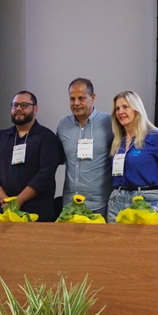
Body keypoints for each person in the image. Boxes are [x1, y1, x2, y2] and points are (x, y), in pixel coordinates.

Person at [0, 91, 60, 222]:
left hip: (37, 215)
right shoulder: (0, 137)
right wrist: (6, 201)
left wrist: (17, 201)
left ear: (35, 109)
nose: (18, 109)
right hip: (3, 213)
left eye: (24, 105)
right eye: (15, 105)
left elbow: (45, 174)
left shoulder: (47, 137)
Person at [107, 91, 158, 223]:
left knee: (148, 243)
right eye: (117, 109)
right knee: (115, 242)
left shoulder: (156, 137)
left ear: (136, 109)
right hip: (117, 199)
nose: (120, 112)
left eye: (125, 107)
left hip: (146, 200)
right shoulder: (117, 141)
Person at [57, 78, 113, 219]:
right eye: (72, 99)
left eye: (81, 98)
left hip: (101, 205)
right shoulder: (63, 126)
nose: (76, 103)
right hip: (70, 205)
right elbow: (59, 159)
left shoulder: (110, 123)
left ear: (92, 97)